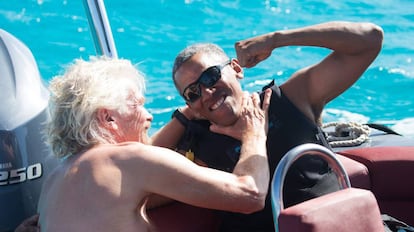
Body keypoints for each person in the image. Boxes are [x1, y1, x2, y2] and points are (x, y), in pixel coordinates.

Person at [169, 21, 384, 231]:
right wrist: (183, 116)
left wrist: (278, 39)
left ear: (236, 68)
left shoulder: (292, 100)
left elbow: (370, 40)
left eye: (210, 76)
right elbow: (141, 167)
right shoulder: (197, 147)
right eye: (192, 93)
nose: (207, 92)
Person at [36, 56, 272, 231]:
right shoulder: (128, 161)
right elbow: (250, 194)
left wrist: (186, 115)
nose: (148, 116)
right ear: (108, 118)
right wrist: (254, 132)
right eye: (137, 105)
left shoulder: (54, 182)